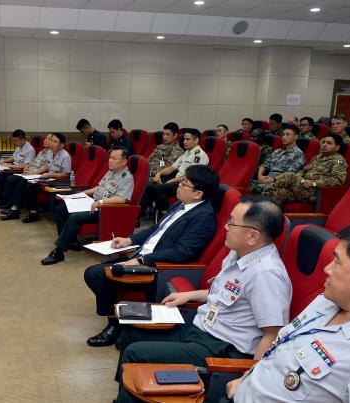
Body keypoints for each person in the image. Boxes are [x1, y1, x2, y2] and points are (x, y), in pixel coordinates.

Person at [114, 195, 291, 403]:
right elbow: (225, 294)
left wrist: (247, 378)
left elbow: (272, 334)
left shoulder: (266, 274)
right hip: (203, 330)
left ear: (252, 236)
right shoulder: (239, 254)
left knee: (136, 353)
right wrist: (189, 295)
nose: (225, 226)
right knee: (132, 329)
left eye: (231, 222)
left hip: (222, 349)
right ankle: (127, 395)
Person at [227, 222, 350, 403]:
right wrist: (246, 380)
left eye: (337, 262)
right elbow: (283, 349)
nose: (327, 269)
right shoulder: (328, 300)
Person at [84, 165, 219, 347]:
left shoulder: (204, 218)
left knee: (95, 274)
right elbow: (156, 229)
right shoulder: (181, 204)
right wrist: (129, 240)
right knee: (100, 269)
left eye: (183, 183)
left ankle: (114, 325)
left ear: (198, 194)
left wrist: (142, 260)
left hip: (157, 267)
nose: (178, 185)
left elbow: (183, 252)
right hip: (143, 255)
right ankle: (117, 318)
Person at [41, 147, 134, 266]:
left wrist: (101, 202)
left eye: (114, 158)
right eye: (110, 157)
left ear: (124, 161)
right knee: (61, 209)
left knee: (75, 217)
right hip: (92, 203)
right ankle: (72, 242)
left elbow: (122, 199)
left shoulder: (126, 178)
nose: (110, 160)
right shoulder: (111, 171)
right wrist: (80, 194)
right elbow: (98, 188)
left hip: (106, 211)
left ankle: (59, 252)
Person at [0, 132, 71, 223]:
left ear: (61, 145)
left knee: (30, 186)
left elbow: (66, 174)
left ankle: (31, 212)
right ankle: (16, 209)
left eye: (55, 142)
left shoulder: (65, 156)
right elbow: (46, 166)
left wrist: (50, 175)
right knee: (25, 182)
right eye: (51, 141)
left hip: (58, 180)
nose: (52, 143)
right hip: (48, 177)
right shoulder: (50, 153)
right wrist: (35, 172)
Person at [263, 135, 347, 205]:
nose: (324, 145)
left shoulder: (339, 161)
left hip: (314, 192)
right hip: (301, 187)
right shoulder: (317, 157)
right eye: (324, 142)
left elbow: (338, 180)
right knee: (277, 193)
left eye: (329, 143)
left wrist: (313, 183)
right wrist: (298, 179)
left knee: (290, 175)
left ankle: (265, 187)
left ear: (336, 147)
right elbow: (303, 171)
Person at [140, 129, 209, 214]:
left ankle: (165, 214)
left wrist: (171, 181)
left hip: (188, 185)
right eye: (184, 139)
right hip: (178, 182)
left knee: (158, 189)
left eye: (188, 139)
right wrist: (159, 173)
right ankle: (139, 216)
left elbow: (191, 177)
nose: (184, 142)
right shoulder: (186, 153)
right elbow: (171, 168)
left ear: (196, 140)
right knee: (149, 186)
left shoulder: (199, 156)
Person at [0, 134, 53, 207]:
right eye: (45, 138)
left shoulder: (51, 154)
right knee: (4, 175)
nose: (45, 140)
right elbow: (33, 161)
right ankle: (9, 202)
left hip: (36, 174)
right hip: (28, 171)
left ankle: (12, 205)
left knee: (13, 179)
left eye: (49, 139)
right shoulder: (42, 151)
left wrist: (34, 171)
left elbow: (47, 166)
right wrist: (27, 166)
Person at [0, 129, 35, 205]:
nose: (14, 143)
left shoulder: (29, 149)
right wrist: (4, 161)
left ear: (22, 139)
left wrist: (10, 166)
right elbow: (13, 157)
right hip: (12, 167)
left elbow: (26, 165)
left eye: (16, 141)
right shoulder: (19, 147)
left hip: (19, 170)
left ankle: (3, 199)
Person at [251, 125, 305, 194]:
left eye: (287, 135)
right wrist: (260, 176)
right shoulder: (277, 151)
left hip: (280, 184)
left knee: (257, 190)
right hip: (267, 180)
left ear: (296, 137)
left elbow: (289, 175)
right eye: (283, 134)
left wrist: (273, 180)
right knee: (245, 184)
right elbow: (264, 165)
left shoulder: (298, 154)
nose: (283, 137)